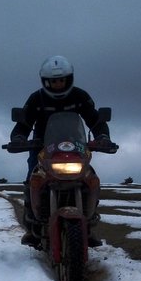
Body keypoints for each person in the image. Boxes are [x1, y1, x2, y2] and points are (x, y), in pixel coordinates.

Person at [10, 55, 112, 247]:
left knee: (90, 177)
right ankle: (33, 224)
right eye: (53, 81)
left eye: (61, 80)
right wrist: (18, 138)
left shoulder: (80, 96)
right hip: (42, 147)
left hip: (76, 146)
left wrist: (103, 137)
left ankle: (88, 225)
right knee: (33, 176)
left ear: (69, 79)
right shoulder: (36, 99)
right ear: (46, 81)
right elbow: (23, 124)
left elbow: (95, 120)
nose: (58, 84)